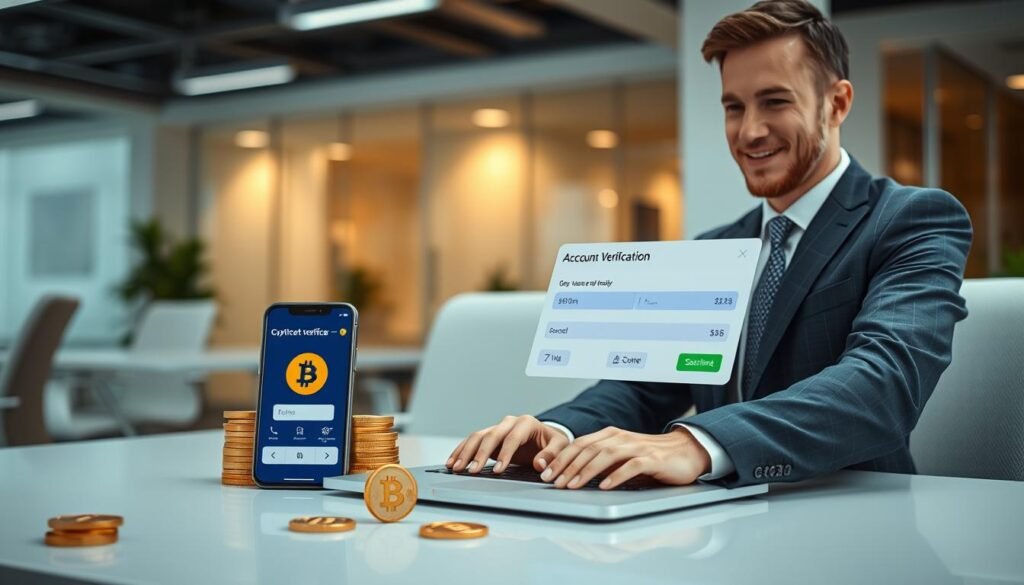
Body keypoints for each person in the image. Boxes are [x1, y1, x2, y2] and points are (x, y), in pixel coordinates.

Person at [446, 0, 972, 490]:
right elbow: (644, 388)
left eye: (774, 102)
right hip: (719, 525)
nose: (750, 131)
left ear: (836, 104)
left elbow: (883, 385)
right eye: (733, 107)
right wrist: (557, 431)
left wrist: (697, 443)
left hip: (859, 520)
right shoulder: (716, 248)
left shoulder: (912, 220)